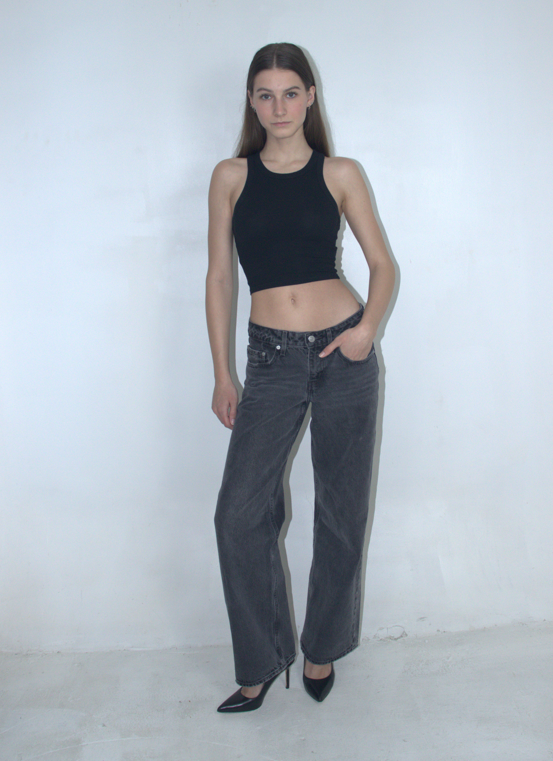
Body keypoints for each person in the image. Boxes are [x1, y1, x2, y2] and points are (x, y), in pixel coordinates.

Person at [206, 42, 395, 713]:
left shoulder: (340, 172)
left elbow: (383, 265)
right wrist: (223, 371)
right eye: (266, 94)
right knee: (238, 514)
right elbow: (220, 277)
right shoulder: (230, 176)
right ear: (251, 102)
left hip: (344, 354)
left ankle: (322, 648)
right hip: (271, 361)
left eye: (291, 93)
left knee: (342, 510)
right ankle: (261, 660)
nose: (279, 106)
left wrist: (366, 330)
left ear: (310, 97)